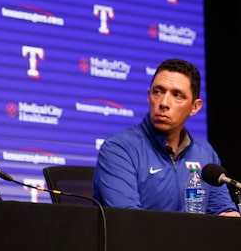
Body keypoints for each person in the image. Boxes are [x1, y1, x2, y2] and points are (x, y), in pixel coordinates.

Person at [93, 58, 240, 217]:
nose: (163, 103)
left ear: (195, 107)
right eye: (158, 92)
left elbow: (223, 212)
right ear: (148, 96)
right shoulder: (119, 149)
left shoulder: (205, 153)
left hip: (194, 241)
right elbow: (129, 222)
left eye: (177, 95)